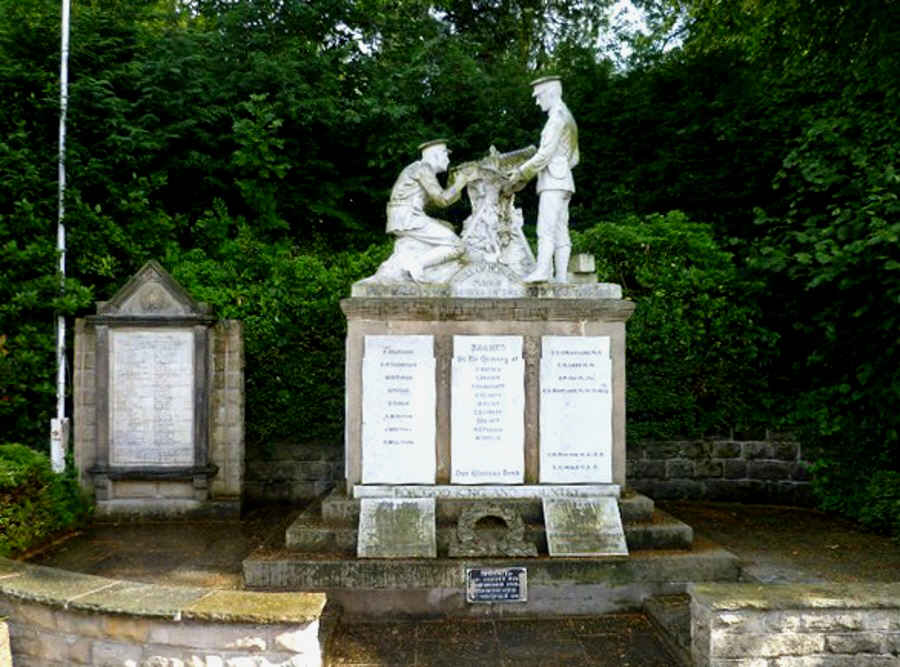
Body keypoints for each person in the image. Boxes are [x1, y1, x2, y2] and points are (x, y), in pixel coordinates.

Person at [508, 76, 579, 283]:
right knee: (560, 229)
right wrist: (562, 167)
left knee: (546, 228)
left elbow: (544, 154)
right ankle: (562, 277)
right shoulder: (568, 116)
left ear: (550, 93)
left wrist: (521, 172)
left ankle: (542, 272)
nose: (537, 102)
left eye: (539, 97)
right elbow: (575, 157)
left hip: (553, 181)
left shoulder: (556, 117)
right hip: (565, 179)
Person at [384, 139, 472, 282]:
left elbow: (434, 205)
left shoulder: (417, 169)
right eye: (446, 155)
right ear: (436, 155)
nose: (448, 159)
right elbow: (442, 201)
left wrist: (453, 185)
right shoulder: (422, 169)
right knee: (458, 246)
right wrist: (462, 181)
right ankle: (416, 264)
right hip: (408, 218)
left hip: (405, 216)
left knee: (448, 226)